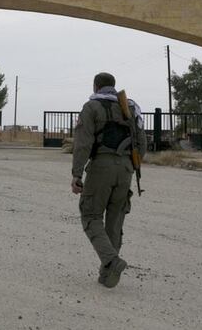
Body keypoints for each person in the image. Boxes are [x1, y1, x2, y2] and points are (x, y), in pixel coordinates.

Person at [71, 72, 146, 288]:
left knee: (90, 215)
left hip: (101, 166)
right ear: (113, 86)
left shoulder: (91, 107)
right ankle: (108, 275)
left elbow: (83, 143)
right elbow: (142, 143)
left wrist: (77, 174)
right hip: (126, 169)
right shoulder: (130, 108)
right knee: (115, 221)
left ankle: (112, 261)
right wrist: (132, 165)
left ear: (96, 86)